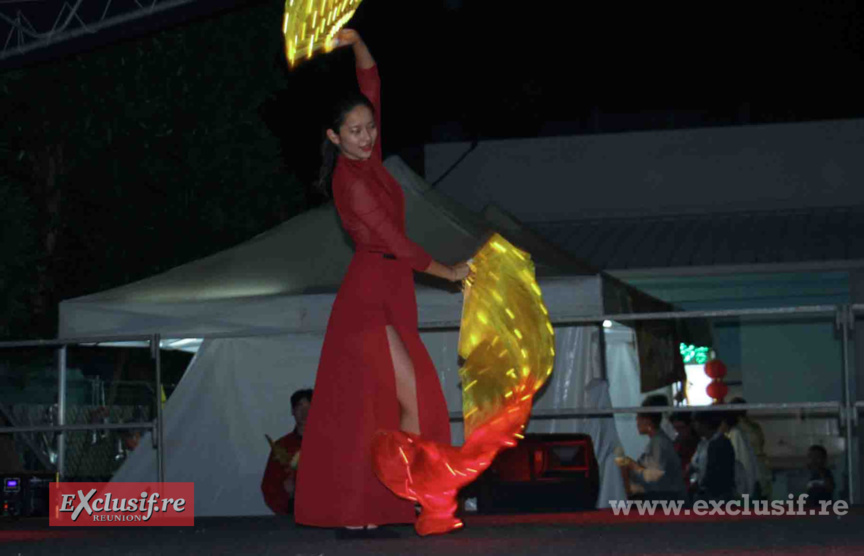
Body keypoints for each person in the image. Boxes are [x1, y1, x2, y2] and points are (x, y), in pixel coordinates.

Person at [294, 29, 471, 533]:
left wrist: (355, 43)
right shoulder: (348, 181)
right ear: (333, 137)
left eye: (369, 128)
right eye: (354, 131)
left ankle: (389, 501)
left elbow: (371, 82)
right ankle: (388, 503)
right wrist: (450, 273)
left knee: (392, 403)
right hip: (370, 297)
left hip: (392, 292)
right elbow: (395, 242)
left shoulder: (367, 161)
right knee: (403, 399)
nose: (367, 136)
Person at [617, 395, 685, 500]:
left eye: (639, 417)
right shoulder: (656, 442)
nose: (636, 421)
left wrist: (631, 465)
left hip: (668, 500)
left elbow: (654, 478)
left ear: (647, 420)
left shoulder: (659, 443)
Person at [261, 389, 312, 515]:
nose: (304, 412)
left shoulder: (328, 445)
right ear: (292, 411)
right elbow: (268, 485)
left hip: (323, 514)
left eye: (309, 407)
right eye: (300, 406)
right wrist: (286, 492)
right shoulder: (282, 446)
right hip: (291, 515)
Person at [688, 411, 736, 503]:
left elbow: (717, 472)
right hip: (703, 492)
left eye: (696, 422)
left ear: (705, 424)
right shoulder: (702, 443)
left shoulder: (721, 443)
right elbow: (695, 463)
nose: (694, 426)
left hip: (717, 496)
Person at [730, 397, 772, 499]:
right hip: (761, 470)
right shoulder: (754, 426)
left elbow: (739, 456)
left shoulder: (736, 430)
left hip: (748, 471)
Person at [720, 411, 761, 498]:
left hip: (744, 488)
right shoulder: (733, 433)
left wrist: (744, 491)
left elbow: (743, 463)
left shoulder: (735, 434)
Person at [670, 412, 699, 477]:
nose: (679, 432)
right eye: (676, 429)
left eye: (681, 428)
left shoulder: (700, 444)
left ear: (691, 425)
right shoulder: (676, 442)